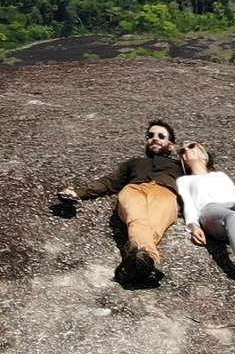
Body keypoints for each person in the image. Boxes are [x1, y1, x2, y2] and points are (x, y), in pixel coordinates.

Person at [56, 119, 188, 283]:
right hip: (134, 189)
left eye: (161, 136)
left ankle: (139, 261)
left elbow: (203, 179)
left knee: (153, 226)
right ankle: (149, 262)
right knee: (136, 219)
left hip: (165, 192)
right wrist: (78, 193)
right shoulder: (133, 163)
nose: (154, 138)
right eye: (150, 135)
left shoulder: (181, 167)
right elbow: (110, 182)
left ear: (171, 145)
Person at [175, 140, 235, 296]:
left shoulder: (220, 175)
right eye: (182, 152)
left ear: (203, 153)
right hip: (211, 211)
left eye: (191, 146)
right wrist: (193, 225)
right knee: (233, 217)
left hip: (233, 205)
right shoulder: (184, 180)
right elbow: (188, 203)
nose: (186, 151)